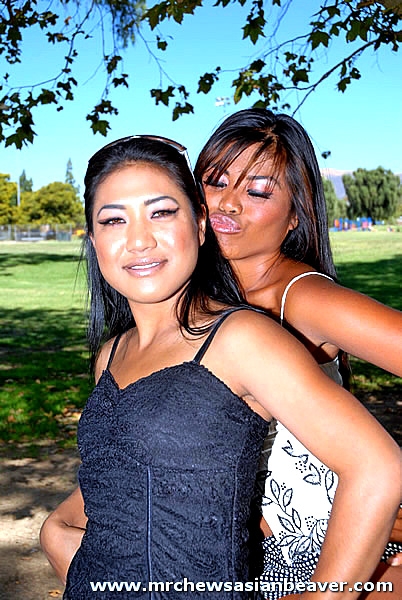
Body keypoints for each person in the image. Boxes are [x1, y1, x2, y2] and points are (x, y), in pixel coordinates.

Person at [40, 135, 400, 600]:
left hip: (297, 558)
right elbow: (144, 467)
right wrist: (57, 532)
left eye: (161, 212)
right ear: (92, 239)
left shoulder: (266, 320)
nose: (139, 239)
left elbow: (376, 466)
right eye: (216, 181)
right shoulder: (114, 353)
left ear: (198, 224)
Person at [194, 108, 402, 598]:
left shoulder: (301, 297)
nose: (228, 202)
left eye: (257, 191)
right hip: (235, 555)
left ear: (295, 215)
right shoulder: (201, 301)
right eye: (216, 181)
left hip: (321, 562)